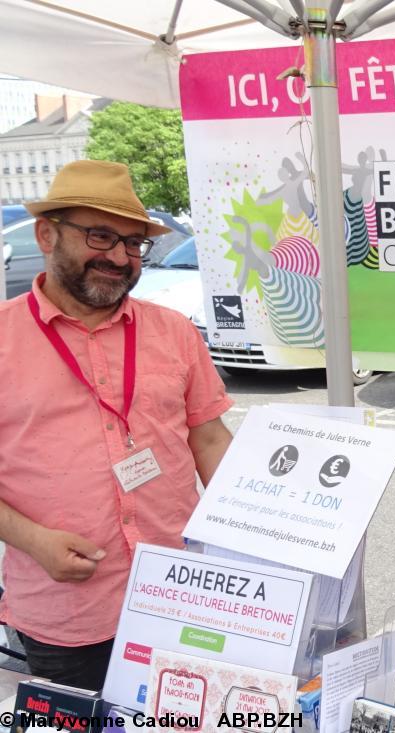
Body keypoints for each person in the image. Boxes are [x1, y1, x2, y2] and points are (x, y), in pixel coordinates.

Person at [0, 160, 234, 689]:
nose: (120, 257)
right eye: (100, 236)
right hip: (68, 614)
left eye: (133, 243)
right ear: (46, 235)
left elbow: (210, 439)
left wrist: (259, 533)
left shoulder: (174, 331)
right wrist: (34, 541)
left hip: (183, 595)